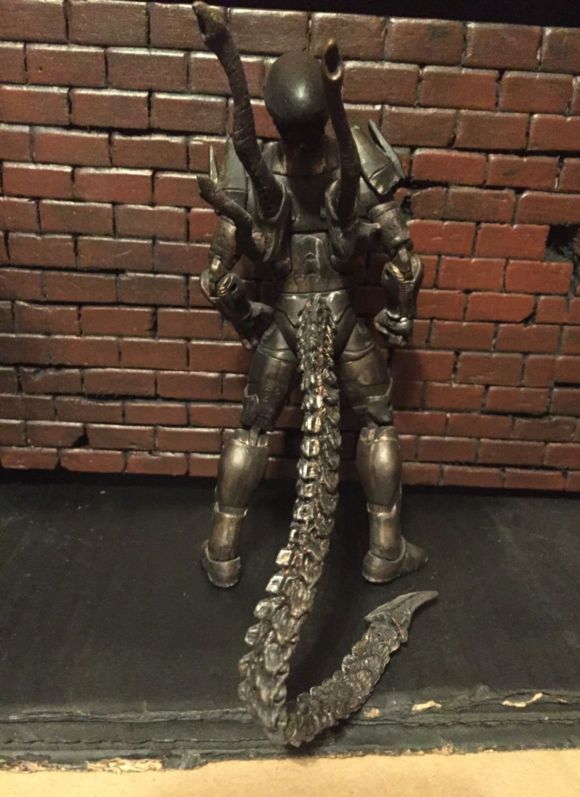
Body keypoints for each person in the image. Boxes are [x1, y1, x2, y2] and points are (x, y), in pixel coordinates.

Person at [193, 2, 426, 590]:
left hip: (287, 319)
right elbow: (405, 258)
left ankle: (222, 547)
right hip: (344, 316)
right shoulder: (359, 154)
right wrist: (398, 312)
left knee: (253, 427)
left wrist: (242, 310)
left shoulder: (251, 166)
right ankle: (385, 547)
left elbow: (217, 273)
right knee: (376, 421)